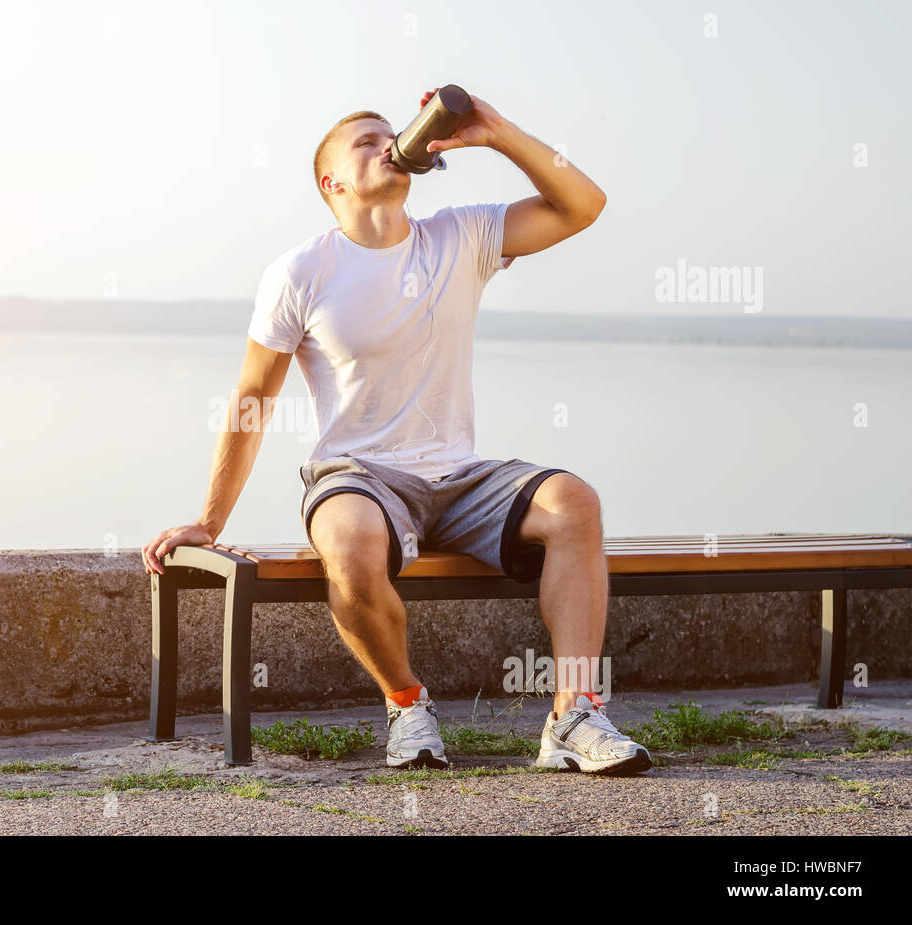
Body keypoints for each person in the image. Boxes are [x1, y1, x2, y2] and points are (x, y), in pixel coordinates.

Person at [142, 87, 651, 775]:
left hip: (461, 477)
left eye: (393, 133)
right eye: (366, 141)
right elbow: (253, 397)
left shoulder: (460, 236)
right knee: (349, 542)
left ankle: (573, 716)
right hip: (359, 476)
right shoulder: (301, 272)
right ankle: (408, 705)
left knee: (575, 502)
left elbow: (582, 206)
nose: (389, 143)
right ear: (334, 182)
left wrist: (496, 132)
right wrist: (209, 518)